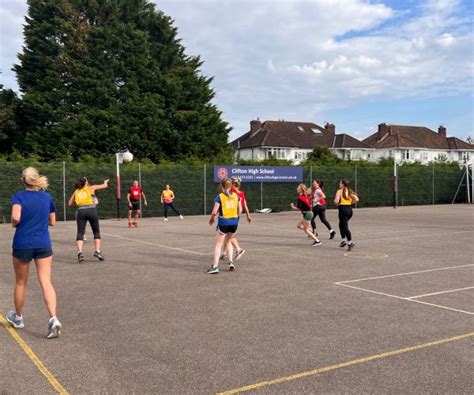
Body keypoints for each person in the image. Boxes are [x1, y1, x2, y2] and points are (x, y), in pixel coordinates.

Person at [6, 167, 62, 339]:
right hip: (43, 243)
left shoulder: (18, 196)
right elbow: (52, 220)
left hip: (23, 243)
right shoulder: (47, 196)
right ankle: (53, 318)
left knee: (21, 282)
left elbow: (16, 217)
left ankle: (19, 317)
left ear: (23, 180)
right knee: (46, 281)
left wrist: (15, 224)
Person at [68, 177, 109, 263]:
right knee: (96, 232)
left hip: (81, 211)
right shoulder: (91, 188)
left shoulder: (76, 191)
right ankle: (97, 251)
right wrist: (105, 182)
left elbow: (69, 203)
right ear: (86, 183)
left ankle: (80, 252)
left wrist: (78, 201)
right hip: (91, 211)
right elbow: (105, 186)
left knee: (80, 232)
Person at [208, 178, 242, 274]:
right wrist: (236, 219)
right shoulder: (236, 196)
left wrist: (212, 218)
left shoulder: (220, 197)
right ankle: (231, 262)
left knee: (219, 245)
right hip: (234, 222)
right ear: (231, 185)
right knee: (228, 242)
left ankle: (215, 267)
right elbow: (240, 210)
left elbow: (214, 211)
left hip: (224, 222)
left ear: (222, 186)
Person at [220, 177, 251, 261]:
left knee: (228, 235)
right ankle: (225, 253)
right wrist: (248, 215)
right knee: (227, 235)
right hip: (236, 216)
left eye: (231, 183)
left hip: (230, 216)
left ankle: (238, 249)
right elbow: (245, 204)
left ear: (233, 184)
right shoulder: (241, 193)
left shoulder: (232, 193)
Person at [334, 179, 359, 251]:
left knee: (344, 226)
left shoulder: (339, 191)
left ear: (342, 184)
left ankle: (350, 242)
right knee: (341, 224)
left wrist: (337, 203)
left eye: (340, 183)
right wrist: (351, 203)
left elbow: (336, 201)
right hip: (349, 210)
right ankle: (343, 240)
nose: (339, 184)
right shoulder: (349, 191)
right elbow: (357, 199)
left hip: (343, 209)